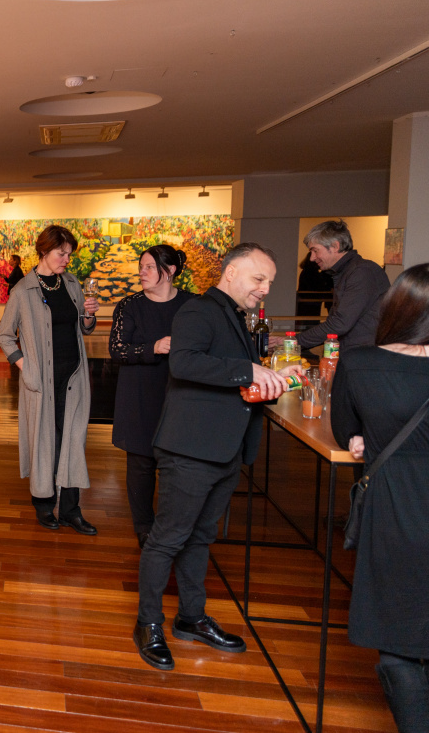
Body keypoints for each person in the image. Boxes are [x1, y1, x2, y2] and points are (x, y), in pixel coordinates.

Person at [134, 243, 303, 671]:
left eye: (269, 282)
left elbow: (231, 374)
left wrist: (273, 376)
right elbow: (184, 363)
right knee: (168, 539)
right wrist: (249, 370)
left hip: (224, 448)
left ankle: (191, 617)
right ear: (230, 273)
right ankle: (148, 623)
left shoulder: (234, 316)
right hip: (190, 449)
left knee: (200, 537)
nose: (265, 288)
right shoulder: (198, 310)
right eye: (259, 278)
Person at [331, 263, 429, 732]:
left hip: (396, 509)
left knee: (398, 636)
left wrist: (363, 436)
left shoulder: (358, 363)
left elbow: (343, 428)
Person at [0, 225, 100, 534]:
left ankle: (70, 510)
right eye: (61, 253)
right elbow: (5, 335)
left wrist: (89, 315)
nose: (67, 259)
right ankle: (44, 505)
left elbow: (85, 328)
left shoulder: (72, 284)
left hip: (73, 378)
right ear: (44, 251)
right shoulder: (23, 290)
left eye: (69, 254)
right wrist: (26, 367)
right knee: (45, 442)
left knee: (73, 441)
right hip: (41, 382)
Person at [109, 245, 196, 549]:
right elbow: (117, 350)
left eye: (149, 267)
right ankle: (144, 527)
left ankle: (175, 527)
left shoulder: (193, 305)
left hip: (181, 396)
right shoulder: (129, 306)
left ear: (169, 271)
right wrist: (153, 348)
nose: (141, 272)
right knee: (141, 465)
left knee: (177, 465)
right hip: (139, 397)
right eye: (141, 267)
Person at [276, 220, 389, 352]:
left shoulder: (362, 272)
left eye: (315, 251)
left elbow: (340, 323)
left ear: (335, 246)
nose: (312, 258)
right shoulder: (347, 272)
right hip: (355, 353)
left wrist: (293, 342)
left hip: (365, 355)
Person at [295, 252, 334, 318]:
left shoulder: (308, 271)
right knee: (311, 320)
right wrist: (329, 289)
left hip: (308, 302)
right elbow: (318, 286)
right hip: (311, 302)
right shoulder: (311, 272)